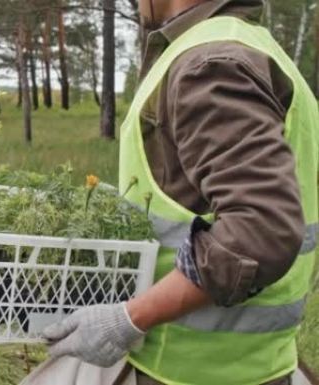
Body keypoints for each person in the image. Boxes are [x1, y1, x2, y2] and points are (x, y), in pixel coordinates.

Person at [37, 0, 319, 384]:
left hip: (186, 369)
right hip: (255, 365)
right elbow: (193, 199)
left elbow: (261, 230)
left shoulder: (210, 63)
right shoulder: (251, 48)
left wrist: (129, 319)